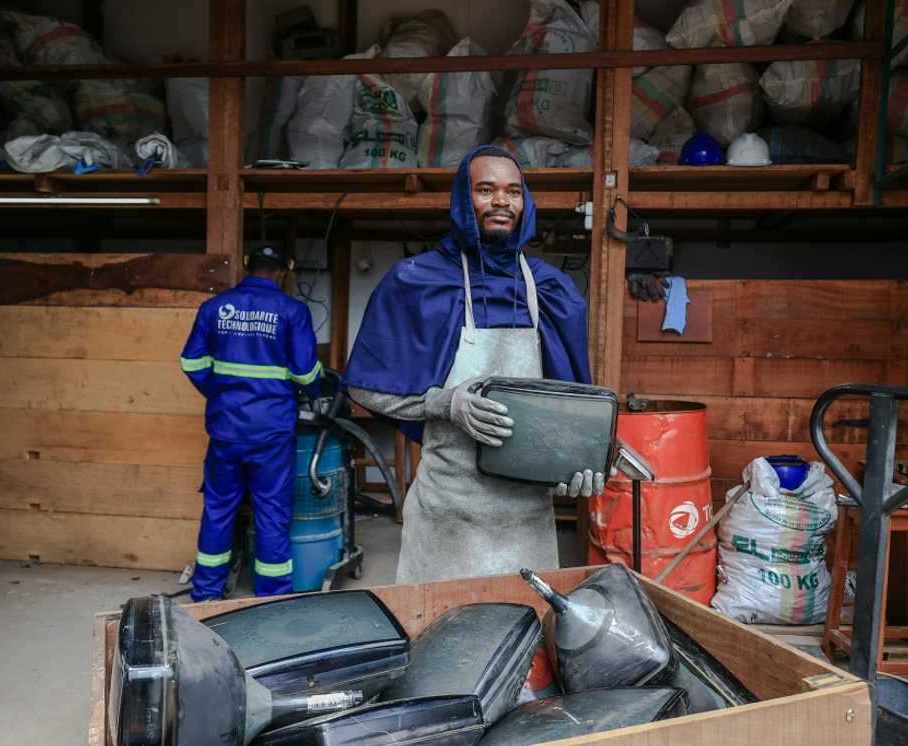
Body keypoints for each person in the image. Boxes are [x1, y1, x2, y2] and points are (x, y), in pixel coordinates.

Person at [343, 145, 600, 584]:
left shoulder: (553, 290)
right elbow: (363, 389)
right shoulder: (415, 282)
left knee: (522, 640)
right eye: (486, 189)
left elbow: (572, 406)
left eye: (513, 192)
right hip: (447, 513)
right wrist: (444, 404)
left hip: (526, 519)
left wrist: (578, 462)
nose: (502, 201)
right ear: (463, 200)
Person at [179, 245, 322, 601]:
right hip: (271, 432)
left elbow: (191, 363)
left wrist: (223, 394)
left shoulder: (213, 308)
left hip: (226, 429)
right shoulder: (293, 311)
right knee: (271, 511)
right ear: (283, 272)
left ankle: (206, 595)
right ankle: (271, 597)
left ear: (247, 267)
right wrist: (320, 385)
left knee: (219, 508)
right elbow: (306, 373)